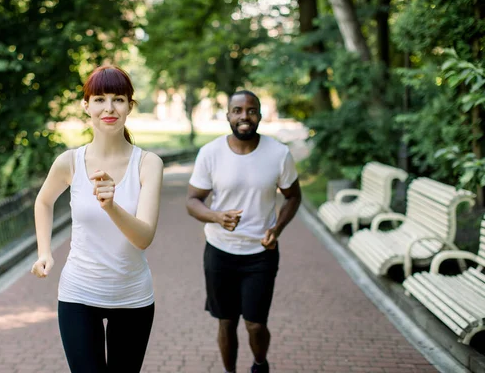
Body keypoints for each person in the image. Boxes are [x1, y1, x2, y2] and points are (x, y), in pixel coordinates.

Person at [31, 65, 164, 373]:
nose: (109, 108)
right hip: (79, 294)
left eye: (118, 99)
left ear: (130, 106)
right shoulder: (70, 162)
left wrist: (110, 205)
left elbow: (144, 237)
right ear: (86, 105)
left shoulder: (148, 164)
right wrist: (44, 252)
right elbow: (43, 201)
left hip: (132, 297)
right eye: (100, 99)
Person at [186, 90, 302, 373]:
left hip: (261, 253)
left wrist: (277, 228)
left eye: (251, 111)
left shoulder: (278, 153)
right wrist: (215, 216)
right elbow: (192, 201)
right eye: (237, 110)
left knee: (255, 324)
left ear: (259, 116)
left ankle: (259, 364)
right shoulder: (211, 153)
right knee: (226, 321)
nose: (244, 117)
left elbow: (293, 196)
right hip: (219, 252)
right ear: (228, 115)